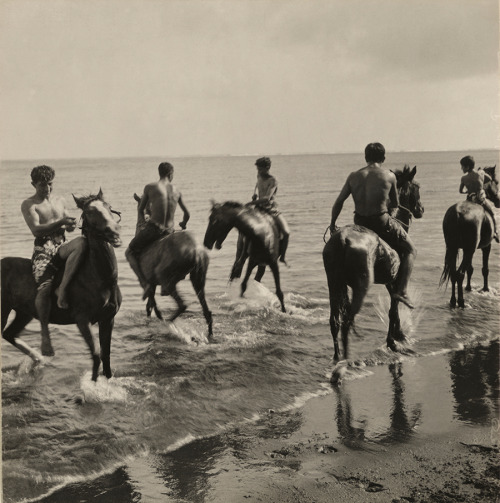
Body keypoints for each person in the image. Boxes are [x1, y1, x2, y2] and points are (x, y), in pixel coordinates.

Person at [329, 142, 417, 309]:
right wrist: (390, 210)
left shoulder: (353, 176)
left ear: (365, 157)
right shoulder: (390, 176)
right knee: (411, 249)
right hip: (381, 222)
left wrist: (332, 223)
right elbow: (395, 204)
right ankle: (403, 291)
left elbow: (339, 202)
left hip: (360, 223)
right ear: (383, 158)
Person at [21, 165, 87, 355]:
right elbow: (36, 230)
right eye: (42, 185)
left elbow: (68, 228)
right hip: (43, 250)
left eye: (50, 184)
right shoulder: (29, 204)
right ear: (33, 184)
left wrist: (71, 225)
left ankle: (66, 290)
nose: (47, 189)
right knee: (45, 288)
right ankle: (44, 335)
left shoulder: (60, 200)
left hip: (61, 246)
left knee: (83, 243)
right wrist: (60, 222)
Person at [126, 161, 190, 299]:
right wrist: (183, 223)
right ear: (170, 174)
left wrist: (144, 221)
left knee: (129, 252)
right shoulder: (177, 190)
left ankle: (145, 283)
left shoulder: (150, 187)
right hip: (170, 231)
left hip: (154, 229)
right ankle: (171, 281)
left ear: (159, 173)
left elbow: (141, 209)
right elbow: (187, 214)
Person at [251, 156, 290, 264]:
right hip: (258, 208)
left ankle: (282, 256)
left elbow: (266, 198)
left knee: (286, 232)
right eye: (258, 169)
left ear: (268, 167)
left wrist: (251, 203)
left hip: (270, 209)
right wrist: (254, 194)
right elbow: (257, 185)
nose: (259, 171)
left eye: (260, 169)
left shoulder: (273, 180)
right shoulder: (258, 175)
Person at [459, 155, 499, 243]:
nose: (461, 168)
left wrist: (467, 191)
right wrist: (480, 186)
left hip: (469, 199)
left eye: (462, 166)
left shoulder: (464, 178)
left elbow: (460, 191)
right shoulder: (481, 174)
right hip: (480, 199)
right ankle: (495, 232)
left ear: (467, 167)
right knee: (492, 213)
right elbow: (489, 179)